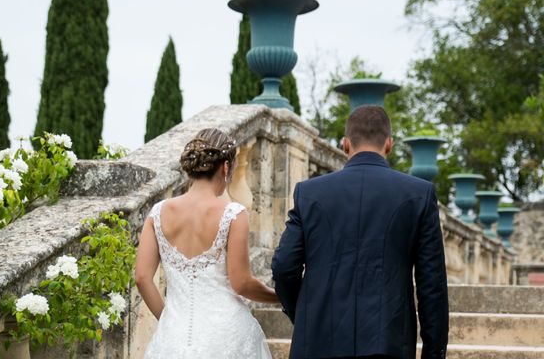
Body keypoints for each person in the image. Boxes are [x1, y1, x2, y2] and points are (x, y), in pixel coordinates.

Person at [272, 105, 449, 359]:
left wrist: (304, 314)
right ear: (389, 144)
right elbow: (432, 286)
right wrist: (434, 353)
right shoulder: (419, 194)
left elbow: (283, 267)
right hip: (388, 344)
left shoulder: (309, 193)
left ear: (345, 144)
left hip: (317, 342)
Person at [136, 128, 279, 358]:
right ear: (225, 167)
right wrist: (279, 296)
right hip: (228, 336)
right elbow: (241, 283)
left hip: (173, 337)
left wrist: (169, 321)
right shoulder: (233, 213)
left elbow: (142, 278)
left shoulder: (159, 212)